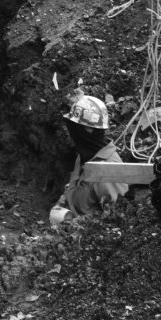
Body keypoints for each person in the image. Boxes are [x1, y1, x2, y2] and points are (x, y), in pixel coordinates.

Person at [49, 94, 128, 225]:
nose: (71, 131)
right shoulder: (84, 156)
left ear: (89, 130)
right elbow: (74, 186)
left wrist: (73, 223)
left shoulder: (109, 172)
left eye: (74, 127)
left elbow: (114, 219)